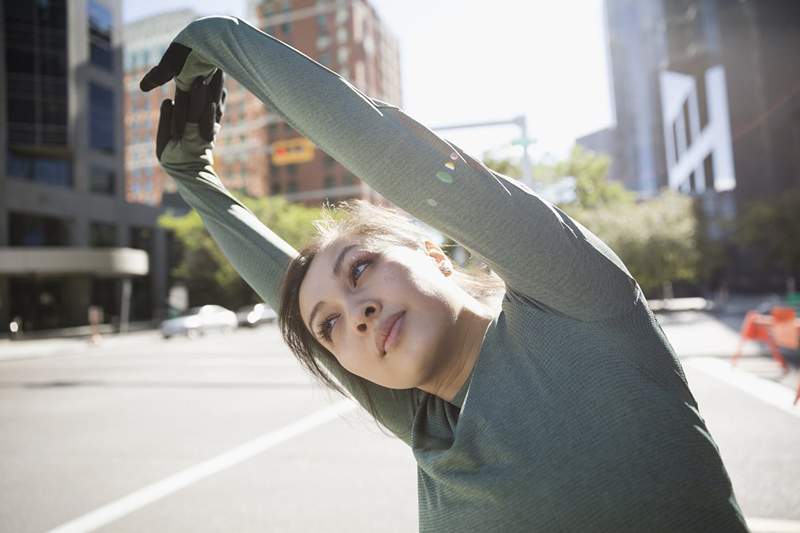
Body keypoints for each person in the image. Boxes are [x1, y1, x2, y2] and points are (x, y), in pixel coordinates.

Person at [140, 16, 749, 532]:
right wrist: (191, 173)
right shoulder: (424, 422)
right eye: (331, 327)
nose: (355, 315)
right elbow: (284, 290)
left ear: (435, 254)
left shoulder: (576, 304)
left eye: (361, 270)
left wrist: (224, 40)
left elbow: (395, 157)